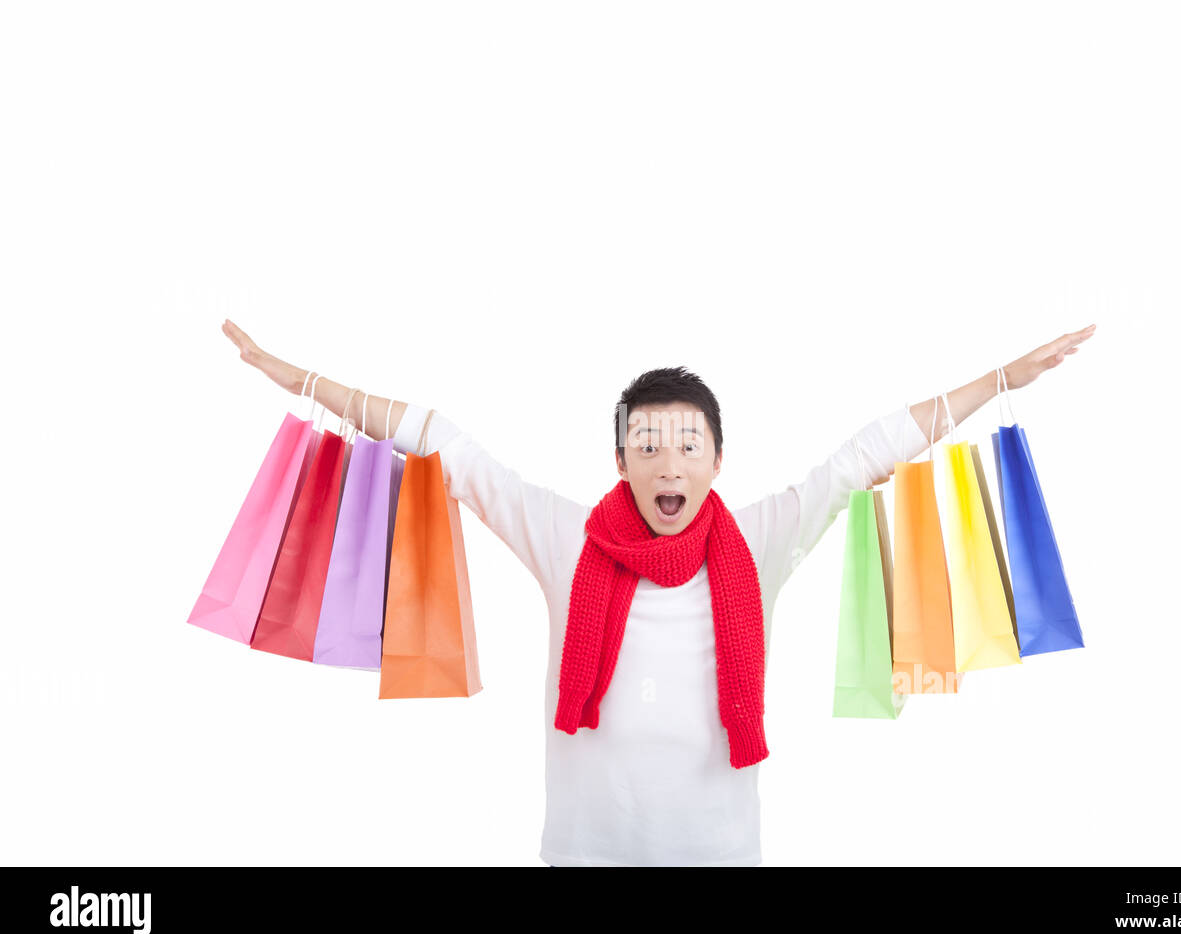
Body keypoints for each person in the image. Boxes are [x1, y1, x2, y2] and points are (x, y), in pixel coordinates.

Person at [222, 319, 1096, 865]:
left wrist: (1002, 382)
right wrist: (298, 379)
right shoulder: (565, 536)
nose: (668, 462)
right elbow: (444, 444)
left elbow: (867, 453)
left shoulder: (761, 539)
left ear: (718, 461)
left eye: (688, 444)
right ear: (620, 462)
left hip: (720, 858)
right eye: (648, 445)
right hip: (581, 854)